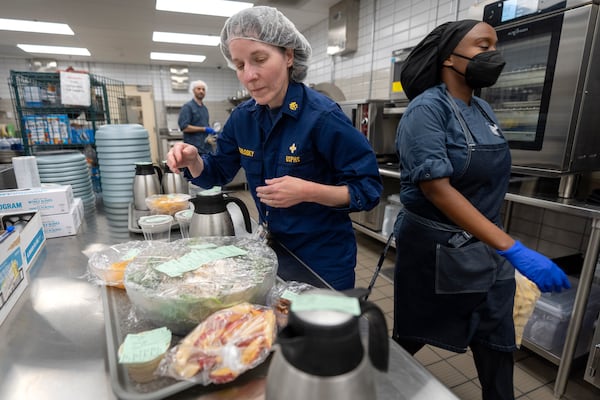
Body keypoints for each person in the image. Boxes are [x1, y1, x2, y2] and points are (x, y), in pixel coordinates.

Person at [392, 20, 571, 400]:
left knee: (497, 342)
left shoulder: (484, 109)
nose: (493, 54)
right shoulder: (426, 110)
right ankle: (369, 381)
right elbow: (437, 190)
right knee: (415, 335)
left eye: (494, 44)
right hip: (439, 254)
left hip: (488, 252)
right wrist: (514, 248)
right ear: (448, 58)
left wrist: (501, 248)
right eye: (481, 45)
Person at [167, 6, 382, 290]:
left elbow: (368, 190)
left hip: (322, 262)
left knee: (318, 334)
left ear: (289, 55)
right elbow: (218, 172)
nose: (249, 76)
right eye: (240, 65)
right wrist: (194, 161)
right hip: (271, 253)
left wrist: (307, 191)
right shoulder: (243, 118)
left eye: (259, 59)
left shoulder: (322, 117)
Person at [178, 80, 215, 154]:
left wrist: (210, 134)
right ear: (193, 90)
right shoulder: (188, 107)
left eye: (203, 89)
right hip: (193, 148)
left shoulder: (204, 108)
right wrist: (204, 129)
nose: (201, 91)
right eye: (198, 89)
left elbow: (205, 124)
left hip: (205, 148)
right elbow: (184, 127)